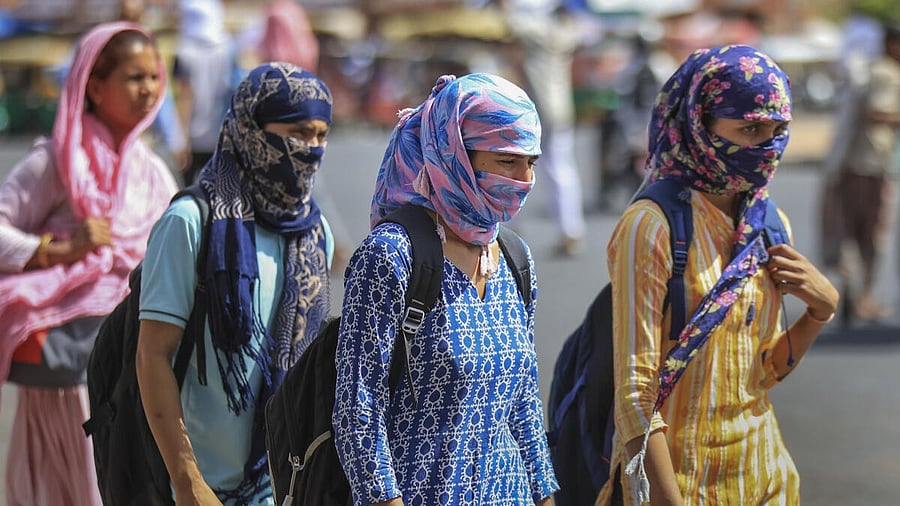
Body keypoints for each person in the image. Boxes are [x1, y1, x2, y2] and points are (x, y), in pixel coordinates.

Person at [596, 45, 839, 505]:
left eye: (778, 131)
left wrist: (820, 311)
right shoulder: (651, 226)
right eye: (750, 129)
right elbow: (635, 394)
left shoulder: (767, 225)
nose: (767, 147)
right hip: (682, 483)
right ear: (699, 125)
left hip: (765, 478)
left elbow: (761, 374)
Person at [333, 73, 559, 506]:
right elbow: (358, 410)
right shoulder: (391, 256)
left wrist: (544, 495)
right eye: (507, 162)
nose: (525, 179)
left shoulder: (515, 258)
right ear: (455, 156)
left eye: (531, 162)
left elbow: (524, 404)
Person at [136, 62, 335, 505]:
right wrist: (187, 480)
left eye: (322, 135)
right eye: (299, 133)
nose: (312, 149)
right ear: (252, 129)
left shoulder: (315, 232)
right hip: (200, 488)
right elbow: (153, 354)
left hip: (284, 487)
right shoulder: (191, 222)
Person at [0, 22, 178, 505]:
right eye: (134, 78)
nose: (149, 89)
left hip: (130, 355)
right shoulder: (57, 161)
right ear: (94, 87)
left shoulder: (151, 171)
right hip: (66, 362)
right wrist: (58, 250)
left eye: (154, 76)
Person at [820, 22, 900, 323]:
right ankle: (862, 297)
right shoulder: (888, 74)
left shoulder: (871, 70)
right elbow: (877, 112)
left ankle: (851, 294)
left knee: (849, 232)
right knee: (872, 235)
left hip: (851, 165)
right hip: (873, 167)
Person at [502, 0, 586, 256]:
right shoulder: (564, 33)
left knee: (513, 164)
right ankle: (570, 230)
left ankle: (511, 227)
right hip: (556, 110)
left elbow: (513, 23)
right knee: (559, 167)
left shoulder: (538, 32)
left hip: (536, 111)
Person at [173, 0, 236, 185]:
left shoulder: (184, 52)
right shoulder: (228, 49)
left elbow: (184, 96)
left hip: (192, 138)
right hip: (221, 135)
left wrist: (180, 138)